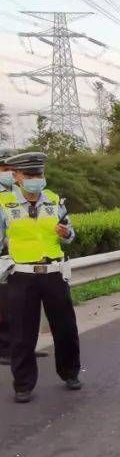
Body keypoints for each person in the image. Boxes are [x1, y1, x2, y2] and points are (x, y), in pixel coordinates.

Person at [0, 152, 81, 403]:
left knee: (66, 327)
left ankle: (70, 373)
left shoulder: (55, 200)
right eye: (30, 175)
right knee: (22, 333)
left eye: (40, 174)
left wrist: (66, 233)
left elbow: (70, 234)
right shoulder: (3, 204)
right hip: (21, 275)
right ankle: (23, 384)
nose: (36, 179)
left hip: (53, 272)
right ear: (16, 177)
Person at [0, 151, 15, 365]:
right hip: (2, 255)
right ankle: (4, 349)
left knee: (17, 305)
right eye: (4, 170)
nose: (9, 173)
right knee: (2, 305)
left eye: (12, 170)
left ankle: (18, 346)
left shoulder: (17, 192)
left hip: (19, 256)